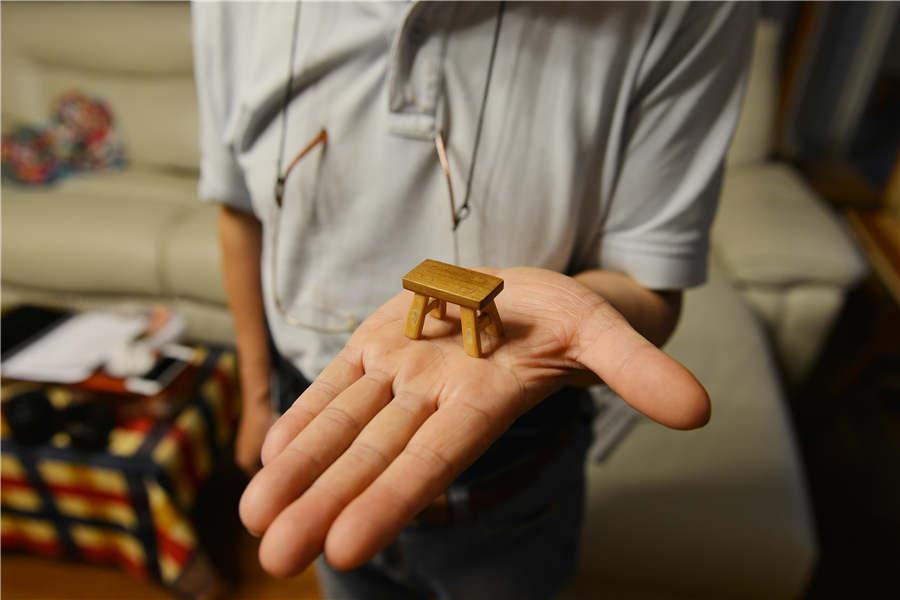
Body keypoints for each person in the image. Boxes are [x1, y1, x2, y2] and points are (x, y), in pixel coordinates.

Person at [192, 2, 755, 598]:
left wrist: (570, 319)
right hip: (316, 426)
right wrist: (257, 397)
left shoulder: (691, 10)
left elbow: (649, 279)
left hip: (517, 466)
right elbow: (240, 211)